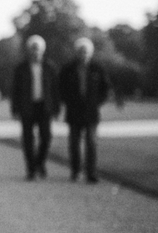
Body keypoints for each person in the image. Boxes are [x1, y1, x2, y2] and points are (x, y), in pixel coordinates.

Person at [59, 37, 111, 183]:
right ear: (77, 52)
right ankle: (75, 170)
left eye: (86, 52)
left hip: (91, 112)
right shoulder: (68, 69)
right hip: (74, 112)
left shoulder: (97, 68)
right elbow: (61, 88)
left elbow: (105, 88)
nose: (83, 54)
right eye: (81, 51)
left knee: (91, 143)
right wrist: (68, 102)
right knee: (74, 144)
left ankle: (91, 172)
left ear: (90, 52)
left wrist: (97, 102)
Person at [11, 35, 60, 180]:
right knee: (28, 140)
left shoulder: (50, 67)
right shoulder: (21, 68)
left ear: (42, 50)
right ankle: (31, 169)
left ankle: (39, 162)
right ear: (28, 50)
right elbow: (15, 90)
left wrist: (56, 108)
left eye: (37, 49)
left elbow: (55, 90)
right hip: (27, 106)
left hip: (45, 107)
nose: (35, 52)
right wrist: (15, 109)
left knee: (46, 137)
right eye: (32, 49)